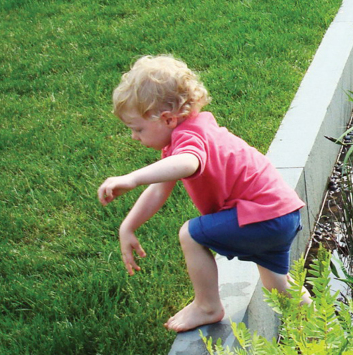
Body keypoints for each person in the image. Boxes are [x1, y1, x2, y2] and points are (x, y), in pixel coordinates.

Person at [97, 55, 305, 332]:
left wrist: (132, 178)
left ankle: (207, 306)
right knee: (278, 287)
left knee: (191, 234)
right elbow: (159, 189)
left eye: (138, 129)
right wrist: (129, 226)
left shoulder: (189, 140)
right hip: (281, 213)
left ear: (168, 119)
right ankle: (324, 333)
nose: (135, 137)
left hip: (263, 216)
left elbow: (189, 163)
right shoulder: (194, 130)